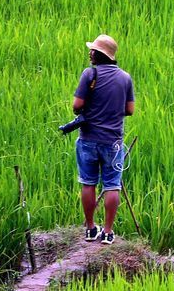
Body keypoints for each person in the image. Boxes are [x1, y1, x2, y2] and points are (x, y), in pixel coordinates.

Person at [73, 34, 135, 245]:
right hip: (114, 141)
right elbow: (130, 110)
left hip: (88, 138)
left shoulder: (89, 74)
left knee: (88, 182)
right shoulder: (125, 78)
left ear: (99, 55)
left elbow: (76, 105)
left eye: (93, 50)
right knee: (112, 185)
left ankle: (91, 229)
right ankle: (108, 232)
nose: (90, 53)